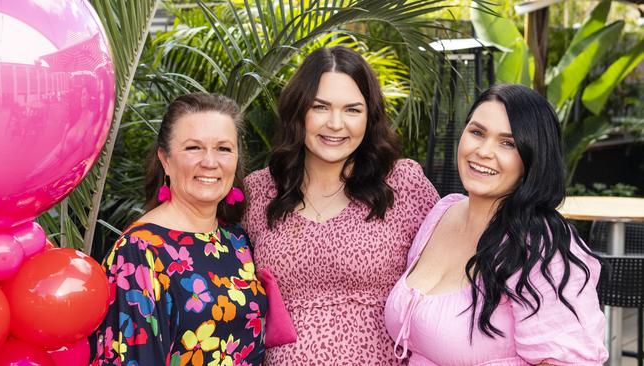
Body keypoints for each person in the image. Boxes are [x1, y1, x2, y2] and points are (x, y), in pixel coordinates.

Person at [384, 84, 608, 365]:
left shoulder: (539, 244)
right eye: (477, 132)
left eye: (508, 143)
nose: (484, 151)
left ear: (532, 158)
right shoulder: (442, 212)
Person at [243, 46, 440, 365]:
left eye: (352, 110)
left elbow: (454, 275)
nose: (336, 124)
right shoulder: (260, 190)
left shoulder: (402, 184)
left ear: (369, 116)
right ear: (298, 111)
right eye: (320, 107)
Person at [90, 92, 267, 365]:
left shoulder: (236, 240)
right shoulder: (139, 251)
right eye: (193, 147)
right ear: (165, 159)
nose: (210, 161)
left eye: (224, 148)